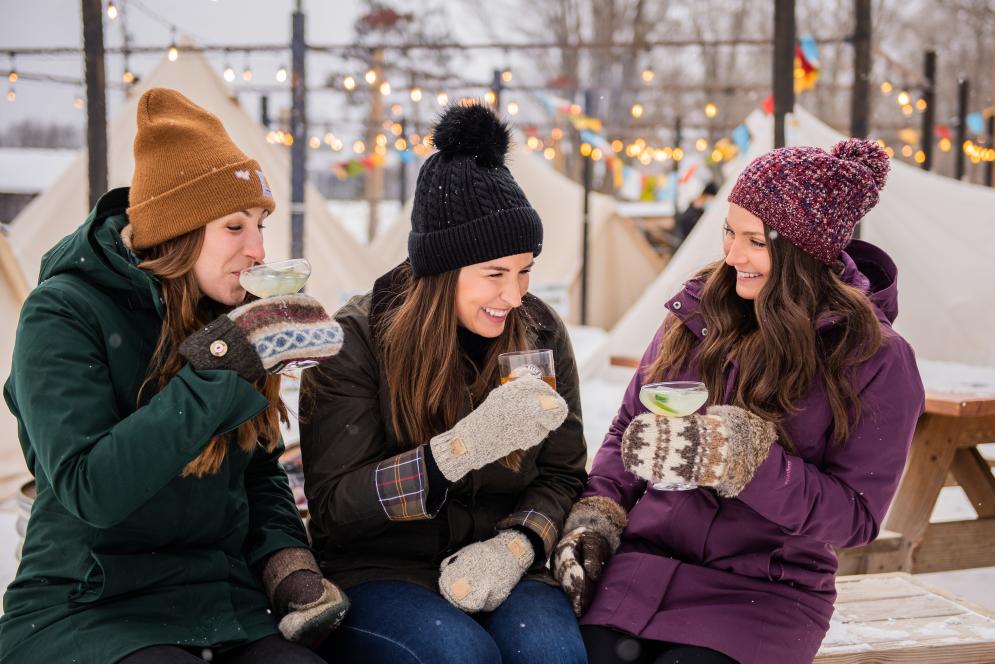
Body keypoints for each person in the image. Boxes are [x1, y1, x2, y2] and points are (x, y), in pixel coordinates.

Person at [0, 88, 349, 664]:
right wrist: (219, 365)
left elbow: (258, 470)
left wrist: (290, 567)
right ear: (177, 231)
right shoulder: (62, 313)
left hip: (220, 600)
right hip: (89, 606)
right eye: (234, 227)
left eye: (260, 224)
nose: (258, 250)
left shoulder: (226, 314)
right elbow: (93, 488)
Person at [552, 139, 925, 664]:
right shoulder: (699, 311)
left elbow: (857, 517)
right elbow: (629, 430)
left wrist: (748, 465)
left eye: (755, 240)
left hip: (765, 595)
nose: (732, 255)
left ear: (803, 250)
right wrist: (599, 512)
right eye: (729, 231)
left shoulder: (874, 357)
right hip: (642, 575)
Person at [299, 103, 588, 664]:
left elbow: (562, 472)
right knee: (459, 658)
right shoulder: (356, 340)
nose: (515, 295)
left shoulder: (539, 331)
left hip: (503, 563)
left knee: (551, 656)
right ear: (442, 272)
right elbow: (334, 508)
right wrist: (454, 453)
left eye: (525, 270)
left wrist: (518, 543)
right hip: (384, 570)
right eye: (495, 275)